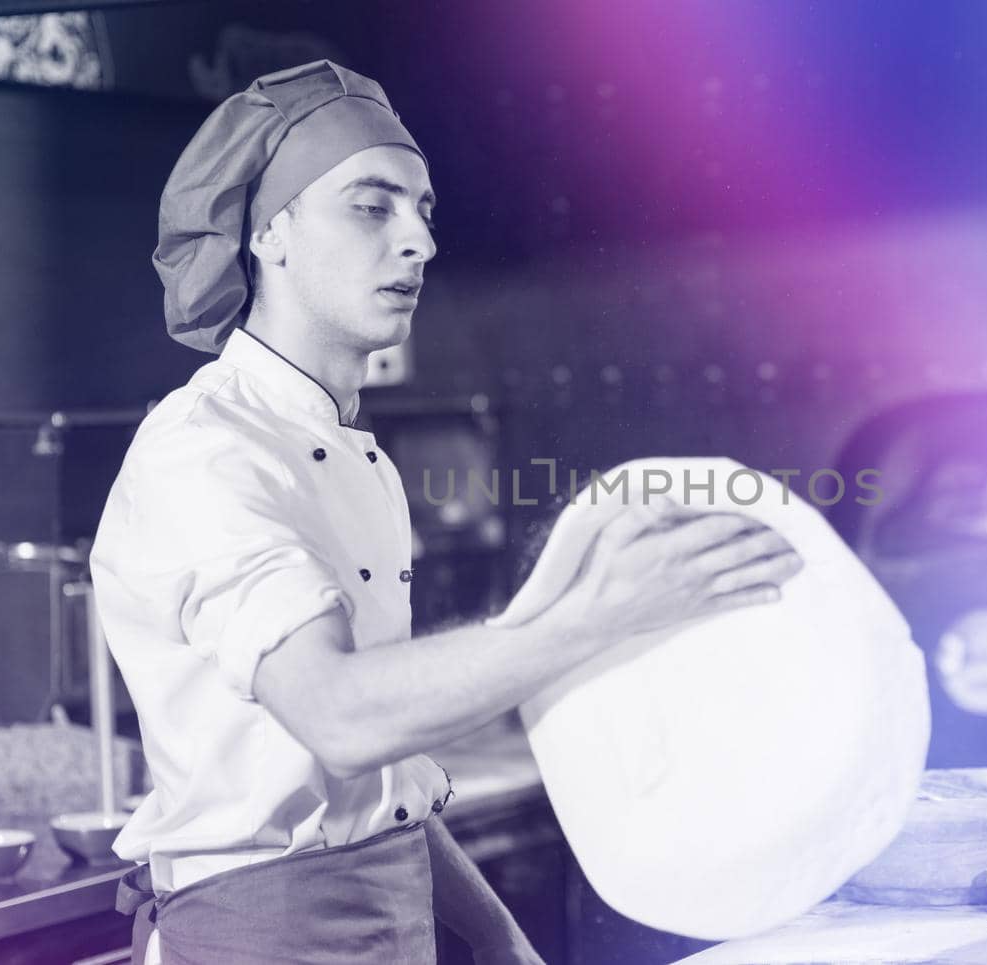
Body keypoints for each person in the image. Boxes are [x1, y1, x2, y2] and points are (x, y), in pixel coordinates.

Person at [90, 60, 803, 965]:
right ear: (270, 231)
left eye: (423, 212)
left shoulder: (364, 459)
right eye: (372, 205)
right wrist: (595, 614)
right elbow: (339, 717)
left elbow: (381, 783)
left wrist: (505, 945)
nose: (418, 242)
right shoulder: (203, 452)